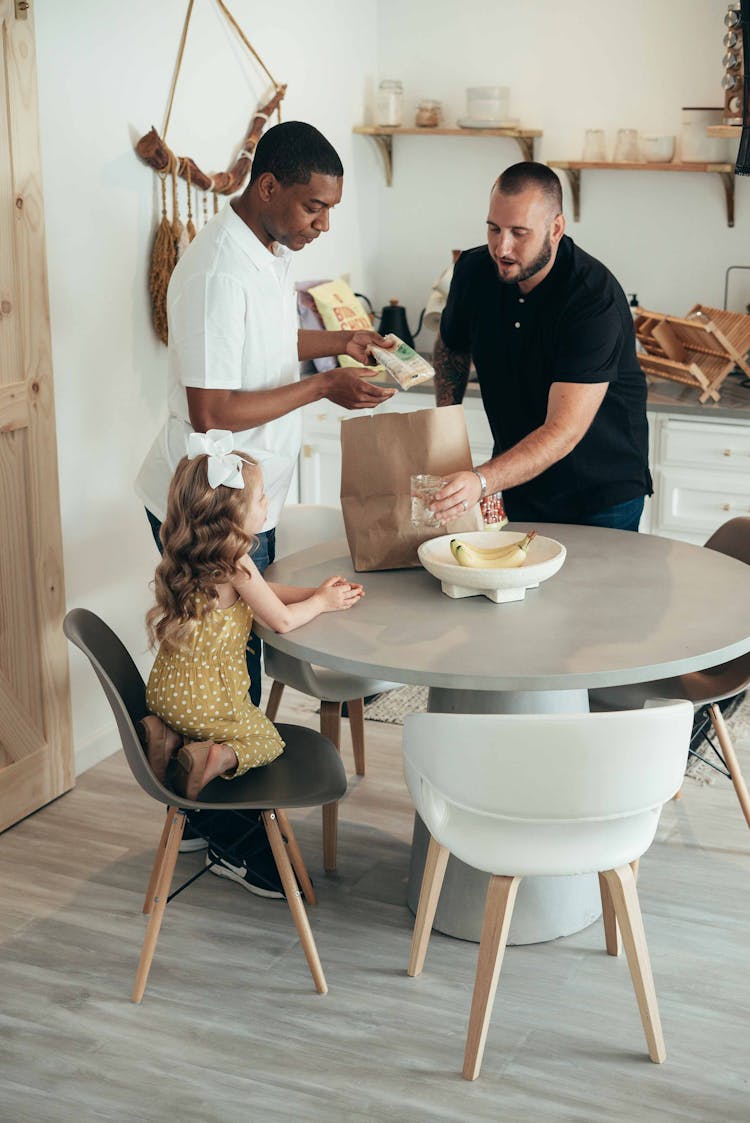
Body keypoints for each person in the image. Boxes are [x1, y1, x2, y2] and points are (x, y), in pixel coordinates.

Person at [135, 120, 393, 880]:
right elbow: (211, 407)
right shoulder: (218, 270)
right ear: (270, 187)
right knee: (234, 684)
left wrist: (336, 348)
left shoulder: (267, 251)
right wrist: (323, 386)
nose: (323, 223)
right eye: (315, 207)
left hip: (246, 501)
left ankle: (193, 813)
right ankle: (237, 843)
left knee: (222, 665)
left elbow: (269, 346)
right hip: (210, 504)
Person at [141, 432, 364, 896]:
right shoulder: (239, 562)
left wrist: (317, 594)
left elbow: (263, 594)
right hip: (207, 703)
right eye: (261, 498)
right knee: (267, 737)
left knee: (193, 718)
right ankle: (214, 755)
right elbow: (280, 620)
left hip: (165, 692)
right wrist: (320, 605)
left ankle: (165, 735)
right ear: (233, 515)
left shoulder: (190, 557)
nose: (267, 504)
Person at [429, 161, 652, 532]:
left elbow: (563, 430)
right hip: (521, 482)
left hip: (600, 495)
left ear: (556, 229)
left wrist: (482, 481)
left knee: (595, 592)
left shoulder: (592, 299)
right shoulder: (472, 272)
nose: (502, 247)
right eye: (493, 229)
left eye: (519, 233)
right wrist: (445, 429)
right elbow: (451, 348)